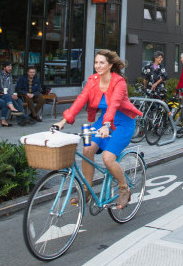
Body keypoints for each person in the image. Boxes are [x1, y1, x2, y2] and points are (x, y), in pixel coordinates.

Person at [51, 49, 141, 209]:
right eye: (96, 62)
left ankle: (124, 188)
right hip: (103, 121)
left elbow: (114, 104)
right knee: (87, 150)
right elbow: (80, 100)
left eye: (101, 63)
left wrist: (107, 125)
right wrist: (63, 121)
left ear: (110, 65)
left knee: (108, 158)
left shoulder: (118, 81)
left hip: (123, 123)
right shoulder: (92, 80)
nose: (97, 66)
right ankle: (86, 190)